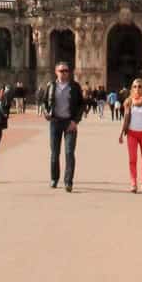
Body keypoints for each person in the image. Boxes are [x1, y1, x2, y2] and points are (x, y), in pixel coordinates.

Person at [44, 61, 84, 192]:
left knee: (69, 152)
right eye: (61, 71)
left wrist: (75, 121)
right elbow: (45, 102)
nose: (64, 73)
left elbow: (81, 105)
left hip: (69, 123)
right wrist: (46, 112)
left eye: (66, 70)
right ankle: (54, 179)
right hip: (55, 122)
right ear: (56, 72)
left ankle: (68, 182)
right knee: (55, 153)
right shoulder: (51, 86)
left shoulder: (75, 86)